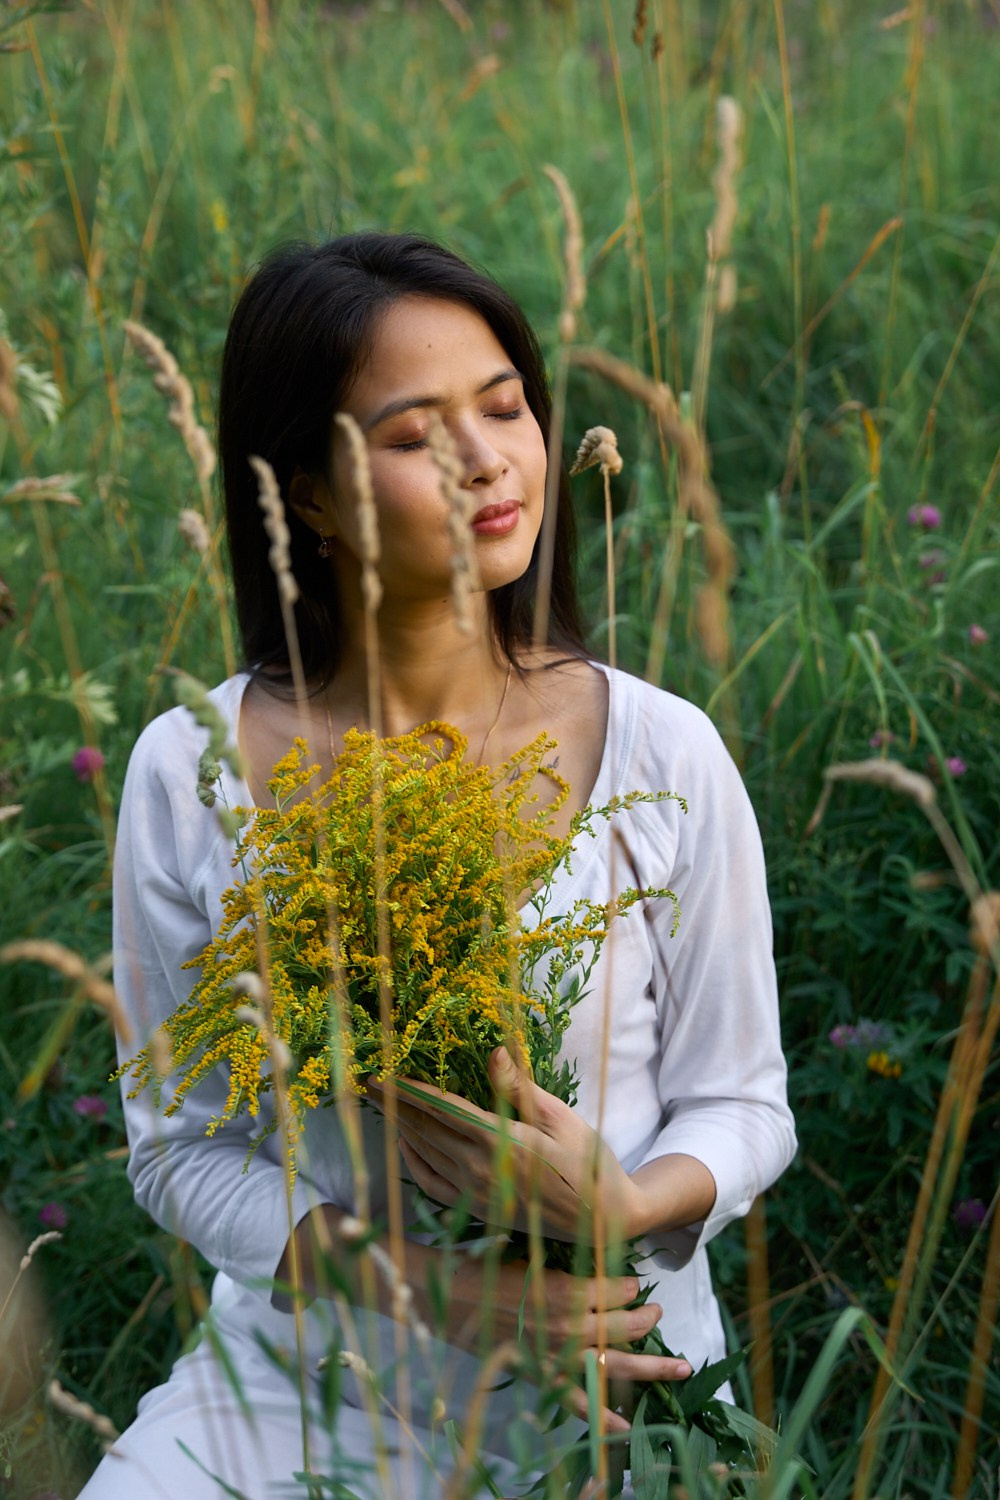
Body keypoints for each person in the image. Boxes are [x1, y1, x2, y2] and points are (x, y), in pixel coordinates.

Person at [81, 232, 796, 1500]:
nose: (486, 460)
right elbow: (181, 1152)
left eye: (505, 408)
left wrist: (624, 1207)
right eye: (413, 436)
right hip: (318, 1377)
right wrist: (435, 1291)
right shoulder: (192, 766)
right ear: (307, 495)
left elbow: (744, 1107)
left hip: (619, 1391)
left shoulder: (661, 749)